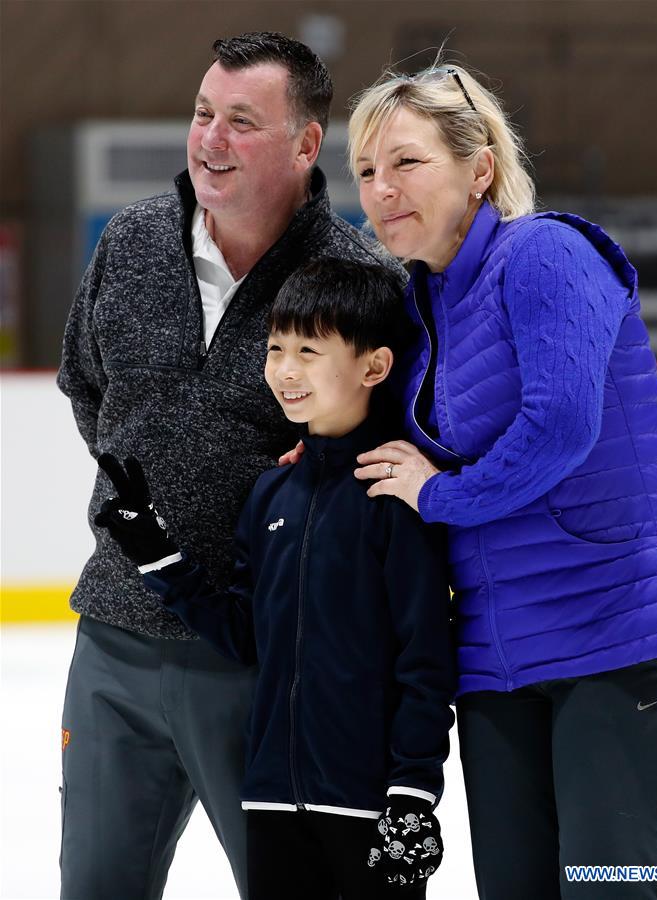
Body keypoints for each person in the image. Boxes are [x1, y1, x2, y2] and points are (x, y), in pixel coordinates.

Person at [343, 63, 657, 899]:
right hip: (492, 660)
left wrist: (439, 495)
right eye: (364, 171)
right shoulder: (418, 306)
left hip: (614, 637)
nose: (379, 189)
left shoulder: (546, 253)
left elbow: (558, 427)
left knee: (609, 888)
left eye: (405, 163)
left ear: (479, 168)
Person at [56, 32, 403, 900]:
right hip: (116, 638)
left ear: (304, 144)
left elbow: (387, 443)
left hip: (271, 661)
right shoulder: (132, 240)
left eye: (241, 121)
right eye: (203, 113)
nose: (209, 138)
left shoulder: (358, 278)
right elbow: (89, 391)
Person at [93, 259, 456, 900]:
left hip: (370, 807)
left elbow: (424, 659)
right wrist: (154, 551)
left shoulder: (396, 496)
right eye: (275, 348)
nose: (285, 370)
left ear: (374, 367)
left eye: (309, 351)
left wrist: (413, 795)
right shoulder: (271, 493)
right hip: (270, 801)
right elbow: (244, 632)